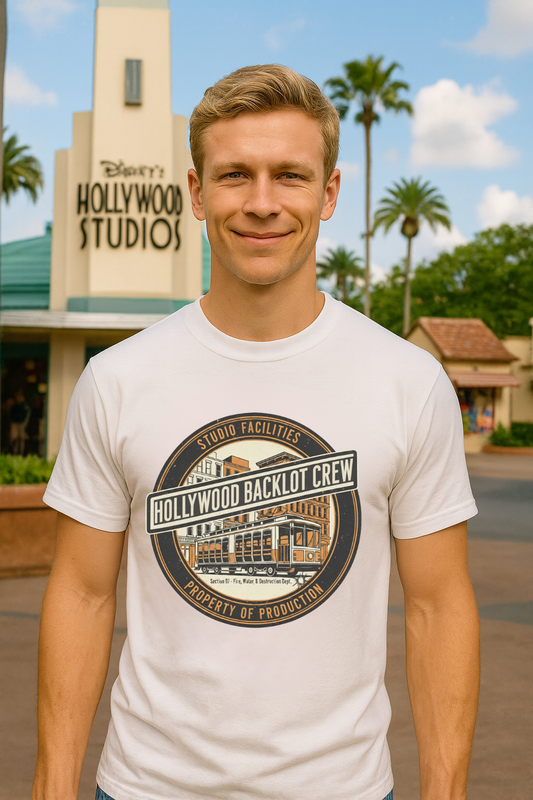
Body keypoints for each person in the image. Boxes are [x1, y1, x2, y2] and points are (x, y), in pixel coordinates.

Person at [32, 65, 479, 800]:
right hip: (146, 786)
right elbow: (81, 593)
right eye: (235, 175)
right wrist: (50, 787)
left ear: (328, 192)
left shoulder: (406, 381)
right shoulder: (117, 380)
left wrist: (447, 792)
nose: (262, 203)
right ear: (197, 191)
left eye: (290, 176)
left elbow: (437, 606)